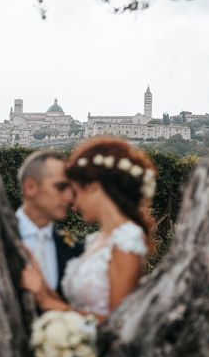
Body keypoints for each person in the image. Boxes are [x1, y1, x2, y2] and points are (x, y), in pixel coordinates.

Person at [21, 137, 155, 320]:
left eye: (75, 192)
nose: (72, 203)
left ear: (93, 187)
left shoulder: (127, 239)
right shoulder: (95, 240)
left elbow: (118, 324)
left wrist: (47, 301)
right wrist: (44, 288)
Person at [16, 150, 84, 296]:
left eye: (71, 189)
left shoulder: (74, 249)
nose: (69, 197)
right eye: (61, 187)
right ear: (30, 187)